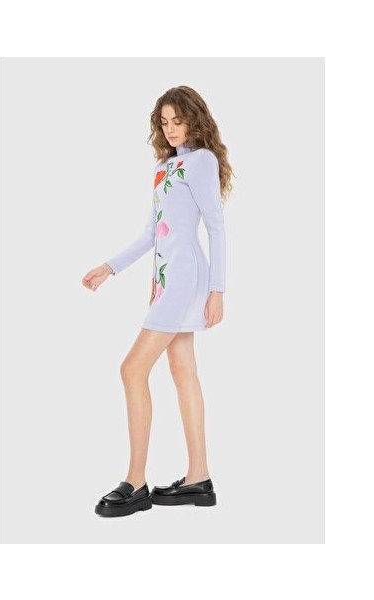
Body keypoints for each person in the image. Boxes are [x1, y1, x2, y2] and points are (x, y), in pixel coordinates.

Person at [82, 85, 234, 518]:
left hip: (185, 279)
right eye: (164, 122)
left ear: (194, 120)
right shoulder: (165, 166)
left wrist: (217, 290)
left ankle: (135, 482)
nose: (170, 129)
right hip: (166, 281)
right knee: (183, 370)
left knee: (131, 369)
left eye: (178, 120)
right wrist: (109, 267)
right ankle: (199, 478)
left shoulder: (201, 162)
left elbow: (216, 228)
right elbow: (152, 233)